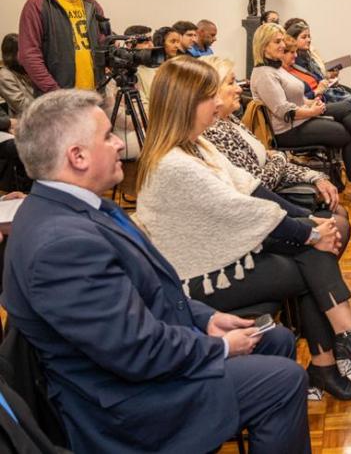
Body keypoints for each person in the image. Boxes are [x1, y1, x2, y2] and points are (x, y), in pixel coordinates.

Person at [2, 89, 312, 453]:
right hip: (128, 406)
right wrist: (217, 348)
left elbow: (150, 293)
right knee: (283, 381)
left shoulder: (75, 209)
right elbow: (135, 350)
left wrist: (206, 319)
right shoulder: (61, 244)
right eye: (107, 136)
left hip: (143, 364)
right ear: (78, 156)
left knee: (277, 339)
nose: (120, 143)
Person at [135, 56, 351, 399]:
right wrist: (310, 230)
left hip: (224, 257)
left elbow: (249, 186)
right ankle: (338, 350)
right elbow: (243, 210)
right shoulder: (175, 163)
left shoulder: (196, 145)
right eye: (210, 96)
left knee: (313, 252)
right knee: (313, 259)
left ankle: (334, 356)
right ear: (186, 103)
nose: (218, 102)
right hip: (197, 280)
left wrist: (310, 224)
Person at [200, 55, 348, 236]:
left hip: (274, 192)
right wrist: (280, 157)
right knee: (338, 221)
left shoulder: (229, 120)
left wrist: (315, 176)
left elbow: (268, 164)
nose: (239, 89)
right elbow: (259, 181)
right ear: (212, 90)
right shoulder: (214, 131)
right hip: (262, 207)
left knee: (338, 214)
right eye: (231, 83)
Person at [250, 24, 351, 201]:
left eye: (283, 40)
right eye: (277, 41)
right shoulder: (264, 75)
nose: (283, 45)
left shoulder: (275, 68)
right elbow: (285, 112)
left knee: (347, 108)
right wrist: (312, 112)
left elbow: (295, 98)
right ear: (263, 45)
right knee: (346, 131)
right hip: (286, 131)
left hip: (299, 120)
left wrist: (310, 102)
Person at [17, 0, 106, 93]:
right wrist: (56, 93)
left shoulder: (92, 5)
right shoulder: (37, 5)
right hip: (57, 101)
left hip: (93, 95)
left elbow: (103, 42)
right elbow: (29, 56)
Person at [0, 34, 37, 117]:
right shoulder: (5, 76)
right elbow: (23, 106)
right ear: (11, 54)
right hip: (26, 121)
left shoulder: (26, 68)